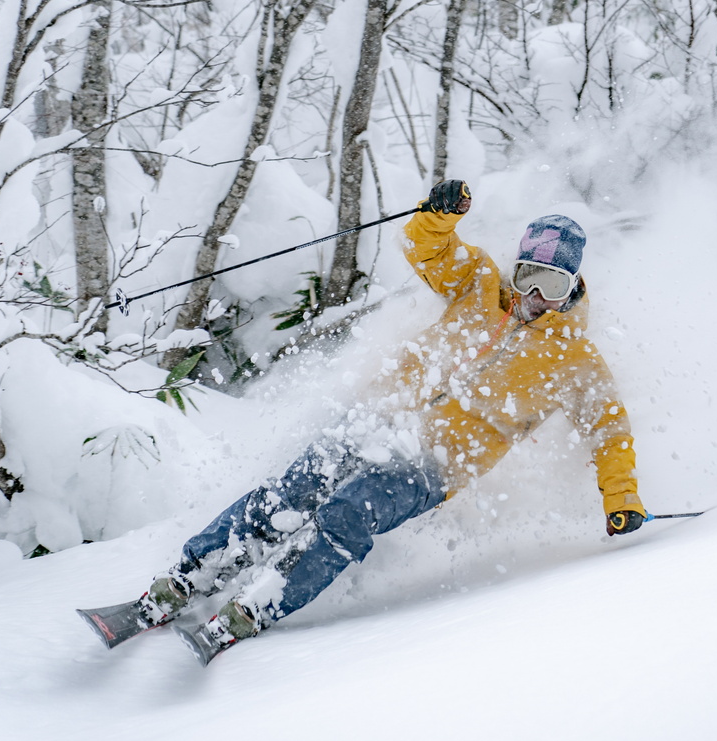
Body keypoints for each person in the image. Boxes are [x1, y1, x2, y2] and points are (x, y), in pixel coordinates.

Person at [112, 179, 648, 660]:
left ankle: (258, 604)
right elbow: (426, 247)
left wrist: (622, 498)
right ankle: (184, 580)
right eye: (529, 276)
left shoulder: (574, 358)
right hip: (377, 418)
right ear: (516, 267)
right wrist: (439, 214)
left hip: (437, 465)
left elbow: (610, 431)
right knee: (285, 495)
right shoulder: (481, 284)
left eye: (551, 285)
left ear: (572, 286)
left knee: (346, 513)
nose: (534, 297)